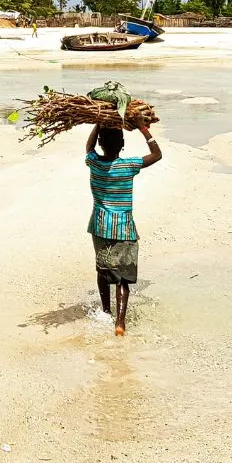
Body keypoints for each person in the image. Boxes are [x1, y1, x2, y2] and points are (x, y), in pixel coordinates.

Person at [85, 119, 162, 337]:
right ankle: (120, 323)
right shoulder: (129, 166)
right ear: (122, 145)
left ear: (101, 144)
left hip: (99, 226)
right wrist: (143, 128)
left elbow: (88, 148)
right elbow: (157, 155)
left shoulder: (94, 163)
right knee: (122, 278)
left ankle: (106, 310)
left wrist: (98, 124)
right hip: (123, 228)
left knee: (103, 269)